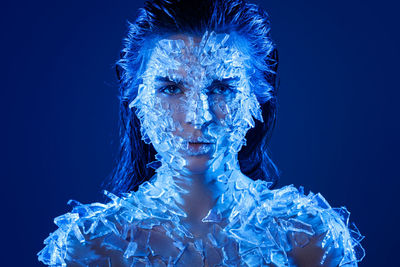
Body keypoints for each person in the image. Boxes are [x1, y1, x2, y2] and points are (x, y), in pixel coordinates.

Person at [38, 0, 365, 266]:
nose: (198, 117)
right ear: (135, 98)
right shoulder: (89, 246)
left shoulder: (309, 238)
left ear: (258, 97)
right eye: (171, 88)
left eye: (222, 87)